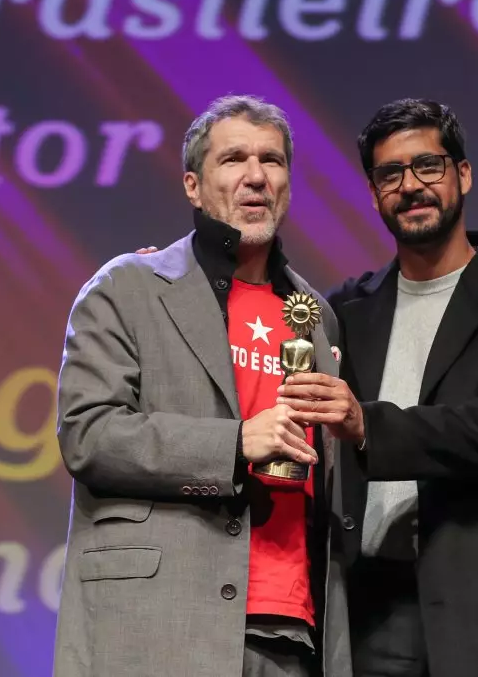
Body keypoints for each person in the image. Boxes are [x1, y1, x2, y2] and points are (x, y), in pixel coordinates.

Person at [275, 99, 478, 677]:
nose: (410, 186)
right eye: (390, 174)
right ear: (373, 194)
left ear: (462, 175)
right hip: (368, 614)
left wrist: (369, 425)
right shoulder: (344, 311)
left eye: (428, 167)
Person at [53, 94, 352, 677]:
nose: (256, 176)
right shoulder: (128, 288)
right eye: (233, 159)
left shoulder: (314, 315)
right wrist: (235, 444)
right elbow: (88, 434)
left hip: (290, 630)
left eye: (272, 160)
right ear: (193, 185)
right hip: (161, 623)